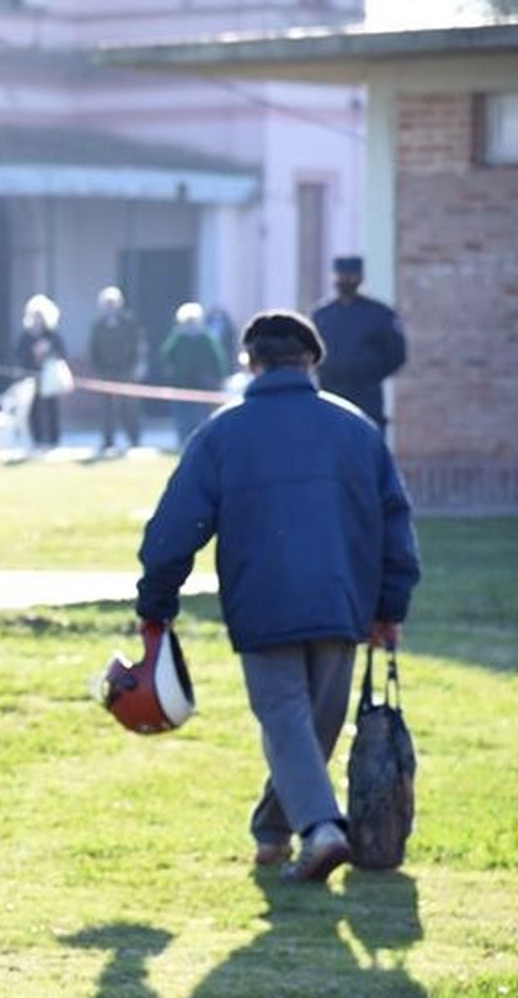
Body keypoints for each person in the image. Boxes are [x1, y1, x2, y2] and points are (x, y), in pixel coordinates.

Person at [134, 310, 419, 882]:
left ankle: (315, 830)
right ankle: (278, 831)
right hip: (343, 599)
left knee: (291, 720)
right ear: (313, 360)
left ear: (250, 361)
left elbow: (174, 527)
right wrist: (390, 605)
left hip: (262, 599)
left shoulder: (221, 433)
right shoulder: (358, 429)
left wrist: (156, 597)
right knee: (315, 723)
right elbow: (396, 522)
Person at [311, 255, 407, 429]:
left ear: (360, 278)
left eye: (351, 275)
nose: (346, 280)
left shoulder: (379, 313)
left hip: (366, 396)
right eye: (342, 275)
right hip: (331, 393)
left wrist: (369, 371)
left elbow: (397, 354)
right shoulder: (322, 315)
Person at [87, 285, 145, 454]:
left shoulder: (128, 322)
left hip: (126, 370)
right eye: (107, 303)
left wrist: (133, 367)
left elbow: (135, 345)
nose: (110, 306)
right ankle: (108, 441)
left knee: (129, 407)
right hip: (105, 372)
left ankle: (134, 439)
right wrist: (98, 370)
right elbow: (93, 348)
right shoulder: (97, 325)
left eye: (113, 303)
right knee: (107, 409)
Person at [160, 301, 225, 448]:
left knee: (201, 417)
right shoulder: (178, 338)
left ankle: (202, 444)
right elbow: (166, 354)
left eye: (193, 321)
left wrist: (219, 377)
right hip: (181, 385)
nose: (191, 325)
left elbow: (218, 359)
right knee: (182, 418)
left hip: (201, 386)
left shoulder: (206, 339)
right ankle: (183, 443)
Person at [15, 293, 67, 449]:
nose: (37, 319)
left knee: (52, 408)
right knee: (33, 408)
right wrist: (33, 353)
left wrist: (48, 350)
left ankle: (53, 439)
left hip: (49, 376)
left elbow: (62, 354)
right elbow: (20, 355)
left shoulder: (52, 336)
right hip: (32, 377)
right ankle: (37, 439)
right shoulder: (26, 336)